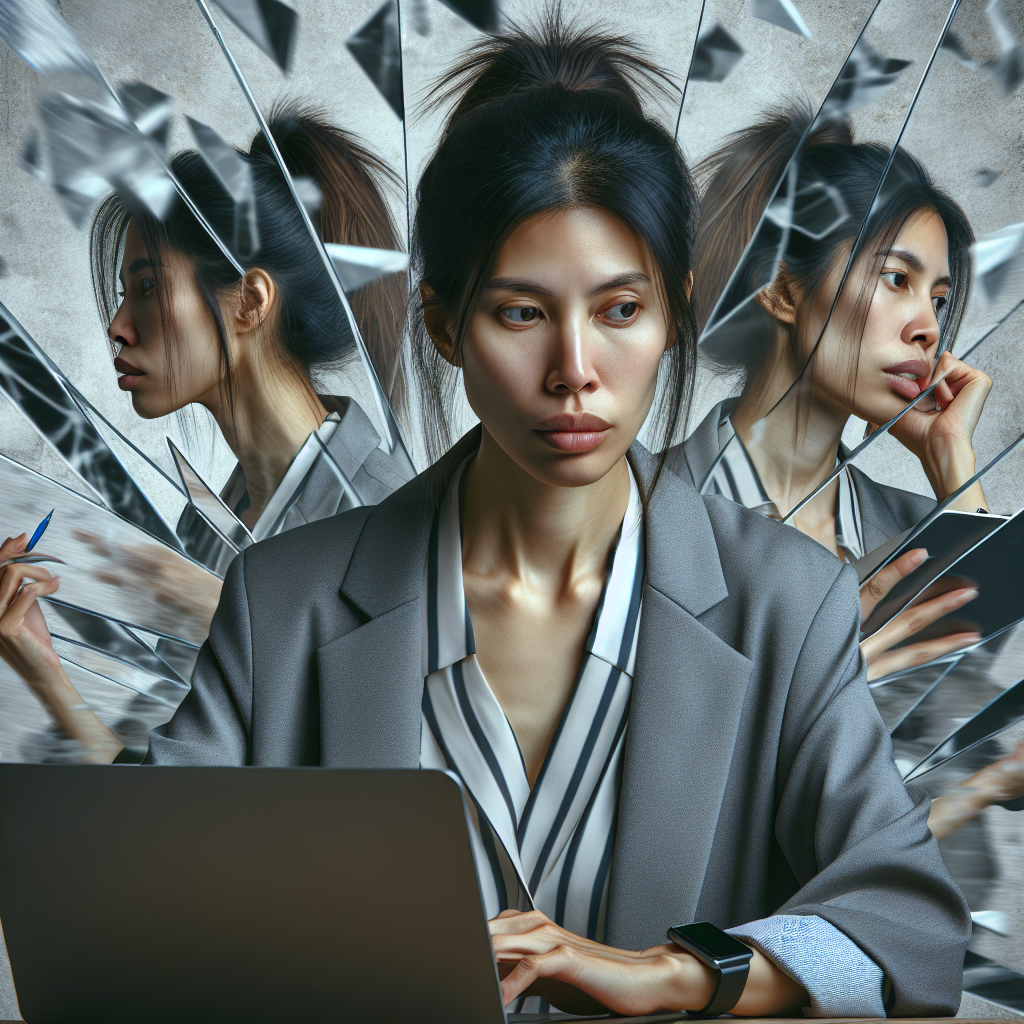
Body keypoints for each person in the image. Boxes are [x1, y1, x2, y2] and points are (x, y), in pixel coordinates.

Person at [0, 19, 968, 1017]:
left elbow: (911, 939)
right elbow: (129, 913)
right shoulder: (280, 599)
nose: (575, 373)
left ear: (676, 312)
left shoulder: (786, 601)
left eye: (621, 310)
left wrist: (679, 973)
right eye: (520, 312)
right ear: (442, 323)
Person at [0, 106, 413, 761]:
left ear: (249, 302)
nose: (118, 326)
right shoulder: (211, 525)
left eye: (145, 288)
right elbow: (177, 788)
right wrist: (44, 667)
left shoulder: (385, 524)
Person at [684, 107, 994, 683]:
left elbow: (967, 754)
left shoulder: (921, 531)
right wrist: (823, 700)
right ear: (781, 289)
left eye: (940, 299)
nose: (928, 326)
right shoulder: (639, 511)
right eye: (897, 279)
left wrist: (954, 464)